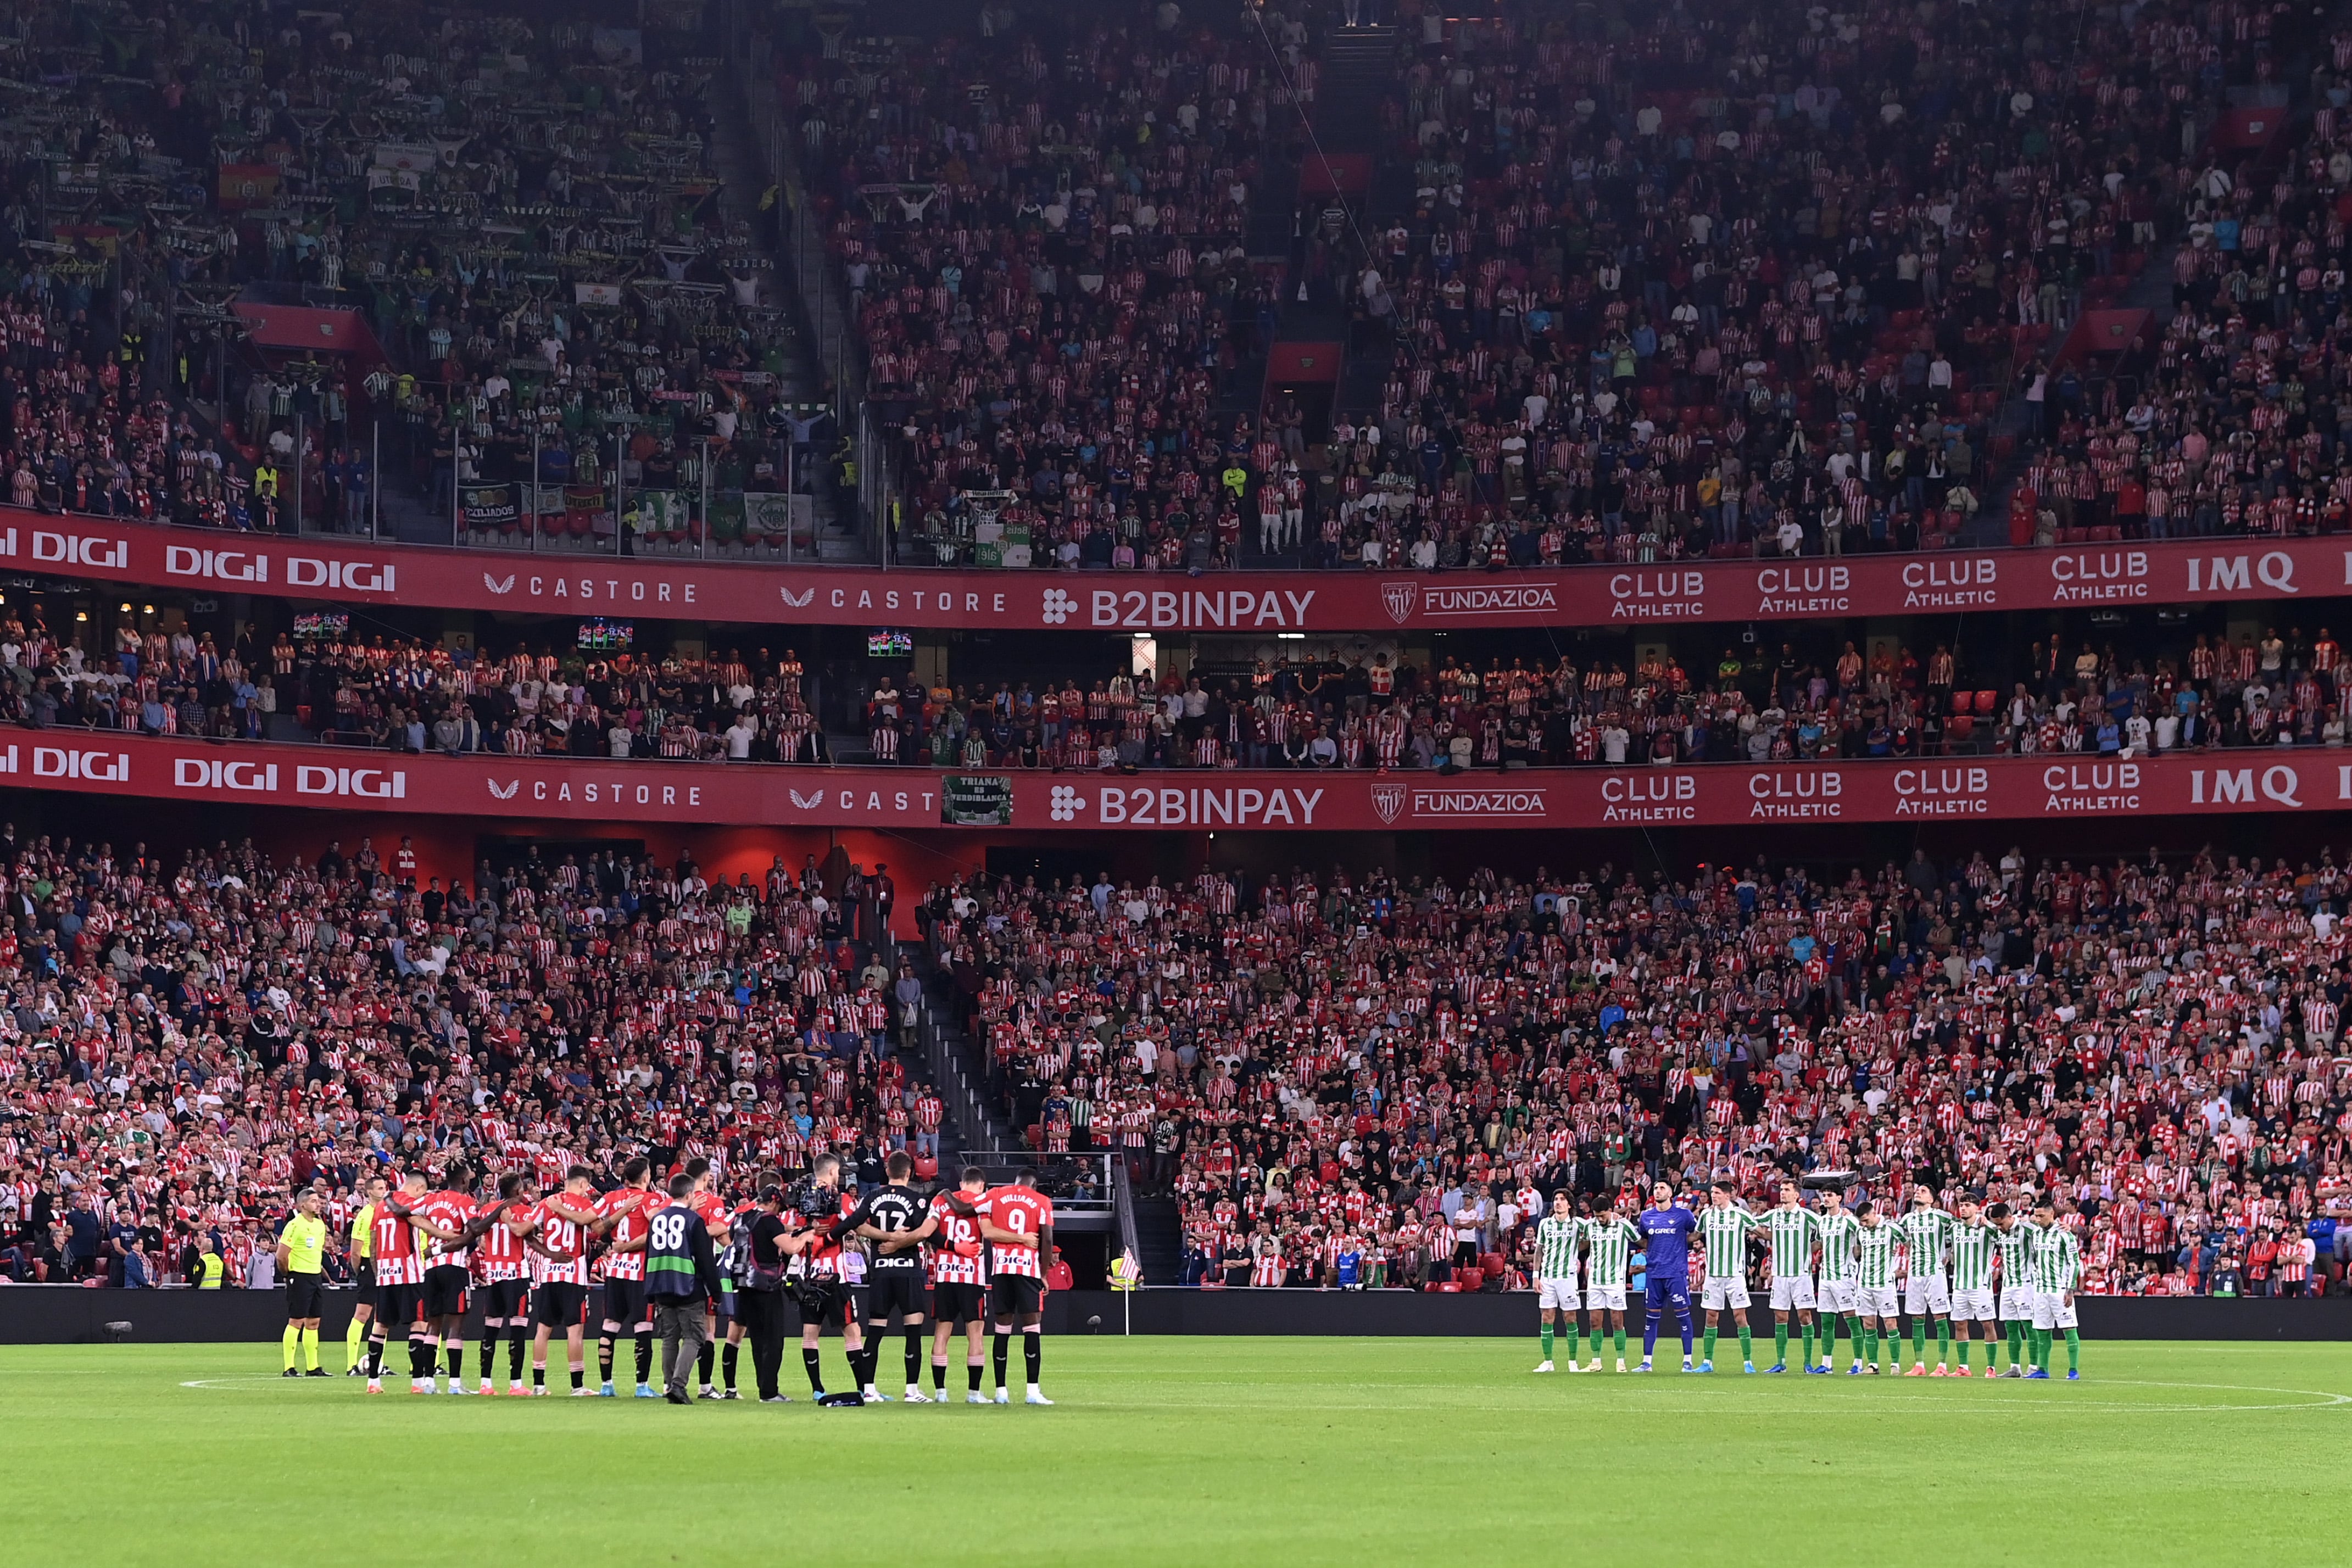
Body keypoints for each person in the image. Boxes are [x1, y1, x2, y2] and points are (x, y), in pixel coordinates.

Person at [841, 1150, 934, 1401]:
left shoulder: (872, 1196)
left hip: (881, 1272)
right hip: (908, 1271)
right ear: (909, 1173)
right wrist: (897, 1240)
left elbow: (858, 1225)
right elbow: (922, 1233)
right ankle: (911, 1391)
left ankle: (869, 1390)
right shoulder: (918, 1199)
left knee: (875, 1332)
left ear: (887, 1171)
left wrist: (885, 1238)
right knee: (913, 1332)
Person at [516, 1167, 608, 1395]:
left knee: (543, 1329)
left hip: (549, 1273)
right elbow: (600, 1229)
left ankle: (539, 1385)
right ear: (583, 1185)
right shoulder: (584, 1205)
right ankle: (577, 1386)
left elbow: (524, 1232)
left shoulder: (547, 1203)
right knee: (575, 1330)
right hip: (573, 1275)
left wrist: (548, 1253)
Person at [779, 1154, 862, 1403]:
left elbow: (784, 1227)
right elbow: (856, 1223)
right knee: (852, 1331)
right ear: (832, 1171)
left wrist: (807, 1231)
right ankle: (863, 1389)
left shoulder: (798, 1198)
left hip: (809, 1274)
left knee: (810, 1333)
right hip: (836, 1275)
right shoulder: (841, 1199)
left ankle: (818, 1389)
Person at [969, 1164, 1056, 1404]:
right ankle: (1032, 1392)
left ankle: (1001, 1391)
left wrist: (946, 1195)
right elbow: (1047, 1238)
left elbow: (968, 1208)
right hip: (1027, 1270)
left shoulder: (997, 1194)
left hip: (1001, 1270)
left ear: (1016, 1181)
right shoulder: (1041, 1201)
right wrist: (1043, 1273)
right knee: (1032, 1328)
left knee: (1002, 1329)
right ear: (1034, 1184)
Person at [644, 1173, 727, 1404]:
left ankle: (670, 1384)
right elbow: (705, 1260)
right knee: (694, 1336)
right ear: (690, 1194)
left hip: (661, 1285)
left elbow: (650, 1254)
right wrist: (716, 1291)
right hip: (688, 1286)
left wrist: (650, 1291)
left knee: (669, 1338)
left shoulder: (658, 1219)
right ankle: (679, 1386)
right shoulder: (693, 1220)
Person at [923, 1165, 994, 1401]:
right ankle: (974, 1393)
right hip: (972, 1278)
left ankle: (940, 1393)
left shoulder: (941, 1201)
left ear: (962, 1183)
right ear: (981, 1185)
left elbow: (930, 1233)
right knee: (975, 1334)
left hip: (945, 1276)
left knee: (942, 1334)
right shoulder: (984, 1203)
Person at [594, 1158, 659, 1398]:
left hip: (615, 1271)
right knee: (643, 1327)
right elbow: (656, 1227)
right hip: (639, 1272)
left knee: (610, 1325)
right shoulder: (651, 1199)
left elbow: (595, 1225)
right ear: (645, 1177)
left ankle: (606, 1385)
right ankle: (642, 1386)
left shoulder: (610, 1197)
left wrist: (616, 1241)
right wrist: (630, 1245)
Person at [364, 1171, 433, 1394]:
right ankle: (418, 1383)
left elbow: (373, 1243)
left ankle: (373, 1381)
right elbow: (422, 1225)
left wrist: (378, 1273)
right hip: (410, 1274)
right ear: (420, 1188)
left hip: (385, 1274)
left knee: (380, 1326)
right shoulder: (412, 1204)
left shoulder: (379, 1208)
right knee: (418, 1325)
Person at [475, 1173, 536, 1394]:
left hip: (493, 1276)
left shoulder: (486, 1210)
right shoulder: (524, 1211)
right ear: (518, 1190)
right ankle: (516, 1384)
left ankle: (485, 1383)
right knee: (518, 1329)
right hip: (516, 1275)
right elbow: (529, 1237)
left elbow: (479, 1232)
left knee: (490, 1330)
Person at [735, 1186, 794, 1402]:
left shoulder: (743, 1218)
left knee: (757, 1340)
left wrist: (790, 1228)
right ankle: (769, 1391)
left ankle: (764, 1387)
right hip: (766, 1285)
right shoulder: (770, 1221)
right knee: (774, 1340)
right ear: (774, 1202)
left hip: (744, 1284)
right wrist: (805, 1235)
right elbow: (790, 1248)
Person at [1696, 1181, 1760, 1373]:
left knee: (1740, 1317)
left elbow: (1759, 1230)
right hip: (1713, 1275)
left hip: (1735, 1275)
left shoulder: (1741, 1215)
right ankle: (1707, 1362)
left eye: (1717, 1193)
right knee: (1710, 1317)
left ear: (1728, 1195)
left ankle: (1748, 1362)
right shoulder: (1706, 1215)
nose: (1713, 1196)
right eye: (1712, 1193)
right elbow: (1695, 1235)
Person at [1635, 1181, 1697, 1373]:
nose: (1658, 1191)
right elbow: (1644, 1240)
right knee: (1651, 1318)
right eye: (1655, 1189)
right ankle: (1646, 1362)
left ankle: (1688, 1361)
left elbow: (1695, 1234)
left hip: (1676, 1272)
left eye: (1662, 1188)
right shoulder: (1646, 1217)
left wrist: (1680, 1245)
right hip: (1654, 1274)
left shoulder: (1683, 1215)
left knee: (1683, 1316)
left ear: (1671, 1192)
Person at [1895, 1184, 1955, 1376]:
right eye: (1917, 1191)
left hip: (1934, 1273)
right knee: (1917, 1318)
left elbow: (1962, 1225)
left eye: (1923, 1191)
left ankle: (1942, 1365)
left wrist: (1949, 1253)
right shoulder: (1908, 1219)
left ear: (1931, 1199)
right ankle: (1919, 1365)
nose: (1918, 1192)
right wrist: (1908, 1247)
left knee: (1940, 1317)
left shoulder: (1941, 1216)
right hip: (1915, 1273)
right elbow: (1895, 1233)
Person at [1760, 1180, 1818, 1375]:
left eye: (1787, 1190)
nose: (1782, 1193)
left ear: (1796, 1195)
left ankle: (1808, 1363)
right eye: (1781, 1190)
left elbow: (1825, 1230)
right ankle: (1781, 1362)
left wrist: (1813, 1249)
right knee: (1780, 1316)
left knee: (1805, 1316)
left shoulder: (1807, 1216)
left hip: (1801, 1275)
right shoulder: (1773, 1215)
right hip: (1780, 1275)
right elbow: (1753, 1223)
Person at [275, 1188, 330, 1378]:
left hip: (315, 1277)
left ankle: (313, 1367)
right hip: (299, 1276)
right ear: (302, 1205)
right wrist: (288, 1274)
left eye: (319, 1201)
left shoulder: (320, 1225)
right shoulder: (294, 1225)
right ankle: (289, 1367)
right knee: (296, 1321)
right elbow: (281, 1255)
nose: (318, 1205)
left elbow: (317, 1253)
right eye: (314, 1201)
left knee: (314, 1322)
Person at [1580, 1195, 1637, 1372]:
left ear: (1611, 1211)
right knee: (1594, 1322)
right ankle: (1596, 1361)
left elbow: (1640, 1241)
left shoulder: (1623, 1225)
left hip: (1615, 1281)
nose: (1600, 1219)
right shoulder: (1590, 1226)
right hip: (1595, 1281)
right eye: (1597, 1216)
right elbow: (1582, 1244)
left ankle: (1621, 1361)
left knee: (1616, 1321)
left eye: (1603, 1216)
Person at [2028, 1199, 2083, 1380]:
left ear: (2052, 1214)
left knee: (2069, 1328)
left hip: (2060, 1291)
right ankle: (2043, 1369)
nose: (2038, 1219)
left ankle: (2073, 1370)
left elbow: (2075, 1262)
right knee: (2042, 1331)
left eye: (2042, 1216)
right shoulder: (2036, 1234)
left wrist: (2070, 1289)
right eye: (2036, 1216)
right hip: (2041, 1291)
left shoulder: (2065, 1235)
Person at [1531, 1190, 1584, 1372]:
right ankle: (1548, 1362)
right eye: (1555, 1199)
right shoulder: (1545, 1224)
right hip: (1547, 1278)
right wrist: (1535, 1276)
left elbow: (1597, 1228)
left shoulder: (1578, 1224)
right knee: (1546, 1318)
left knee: (1570, 1318)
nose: (1558, 1202)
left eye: (1562, 1199)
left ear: (1569, 1204)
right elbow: (1539, 1250)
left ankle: (1572, 1361)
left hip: (1567, 1278)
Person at [1947, 1195, 1998, 1376]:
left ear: (1977, 1208)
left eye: (1967, 1205)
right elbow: (1944, 1243)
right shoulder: (1955, 1228)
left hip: (1980, 1286)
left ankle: (1991, 1367)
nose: (1963, 1209)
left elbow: (2004, 1238)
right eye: (1961, 1205)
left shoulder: (1987, 1229)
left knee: (1987, 1325)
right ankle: (1963, 1368)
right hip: (1960, 1286)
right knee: (1960, 1325)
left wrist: (1990, 1224)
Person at [1851, 1200, 1902, 1375]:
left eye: (1866, 1220)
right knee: (1868, 1324)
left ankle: (1895, 1364)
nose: (1863, 1224)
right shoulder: (1860, 1231)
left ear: (1874, 1214)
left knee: (1890, 1323)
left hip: (1885, 1284)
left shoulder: (1891, 1229)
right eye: (1861, 1222)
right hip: (1865, 1284)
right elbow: (1857, 1251)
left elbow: (1909, 1243)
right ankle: (1873, 1365)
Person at [1812, 1186, 1860, 1374]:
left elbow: (1864, 1232)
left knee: (1852, 1320)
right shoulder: (1822, 1222)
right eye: (1824, 1195)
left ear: (1840, 1198)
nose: (1826, 1198)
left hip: (1844, 1277)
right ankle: (1826, 1364)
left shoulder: (1848, 1220)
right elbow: (1818, 1243)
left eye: (1830, 1195)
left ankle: (1858, 1363)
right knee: (1826, 1322)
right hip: (1825, 1277)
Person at [1989, 1200, 2037, 1377]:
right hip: (2008, 1285)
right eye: (1996, 1225)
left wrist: (2063, 1227)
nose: (1999, 1228)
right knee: (2010, 1326)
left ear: (2010, 1217)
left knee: (2029, 1326)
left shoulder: (2027, 1229)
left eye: (2001, 1224)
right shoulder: (2000, 1232)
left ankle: (2034, 1367)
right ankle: (2015, 1367)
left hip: (2026, 1284)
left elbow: (2046, 1231)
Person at [343, 1174, 382, 1375]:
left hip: (384, 1266)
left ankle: (379, 1364)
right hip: (369, 1266)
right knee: (362, 1314)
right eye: (380, 1188)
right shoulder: (365, 1215)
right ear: (370, 1192)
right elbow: (355, 1252)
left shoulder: (386, 1212)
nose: (384, 1192)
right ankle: (351, 1365)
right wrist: (362, 1272)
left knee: (381, 1317)